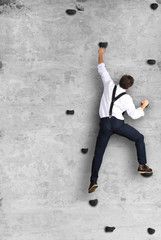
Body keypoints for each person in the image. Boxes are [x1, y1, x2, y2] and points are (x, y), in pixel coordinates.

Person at [88, 47, 152, 194]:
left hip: (104, 123)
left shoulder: (109, 84)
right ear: (128, 87)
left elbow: (101, 68)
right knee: (139, 138)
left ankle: (93, 181)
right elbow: (135, 115)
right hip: (117, 124)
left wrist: (100, 54)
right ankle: (142, 165)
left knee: (99, 153)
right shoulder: (127, 98)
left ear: (119, 81)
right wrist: (143, 106)